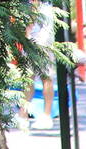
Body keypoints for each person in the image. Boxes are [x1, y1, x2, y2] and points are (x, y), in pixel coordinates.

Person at [19, 0, 57, 131]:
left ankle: (45, 116)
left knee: (42, 78)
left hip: (40, 41)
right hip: (38, 39)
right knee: (30, 78)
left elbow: (32, 16)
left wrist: (26, 35)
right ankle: (24, 115)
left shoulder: (41, 6)